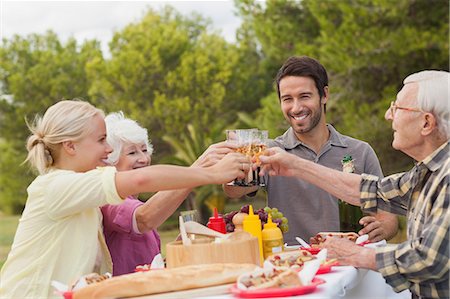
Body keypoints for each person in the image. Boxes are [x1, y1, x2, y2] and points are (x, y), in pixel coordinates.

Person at [0, 100, 250, 298]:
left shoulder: (81, 186)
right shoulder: (55, 185)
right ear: (70, 146)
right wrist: (212, 173)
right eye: (101, 141)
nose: (108, 150)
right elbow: (143, 181)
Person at [258, 70, 449, 299]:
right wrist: (296, 166)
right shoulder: (426, 173)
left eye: (397, 108)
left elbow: (429, 260)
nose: (388, 115)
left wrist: (356, 255)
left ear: (427, 122)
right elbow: (375, 191)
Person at [224, 56, 398, 245]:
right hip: (292, 263)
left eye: (304, 96)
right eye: (287, 99)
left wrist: (381, 228)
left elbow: (388, 217)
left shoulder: (360, 151)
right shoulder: (272, 151)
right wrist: (237, 163)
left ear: (324, 95)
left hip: (349, 265)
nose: (296, 108)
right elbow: (233, 191)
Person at [102, 112, 238, 275]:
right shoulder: (109, 198)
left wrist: (180, 247)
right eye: (132, 153)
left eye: (144, 150)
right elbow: (144, 218)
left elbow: (148, 263)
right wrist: (197, 171)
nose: (144, 159)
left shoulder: (135, 201)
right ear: (111, 160)